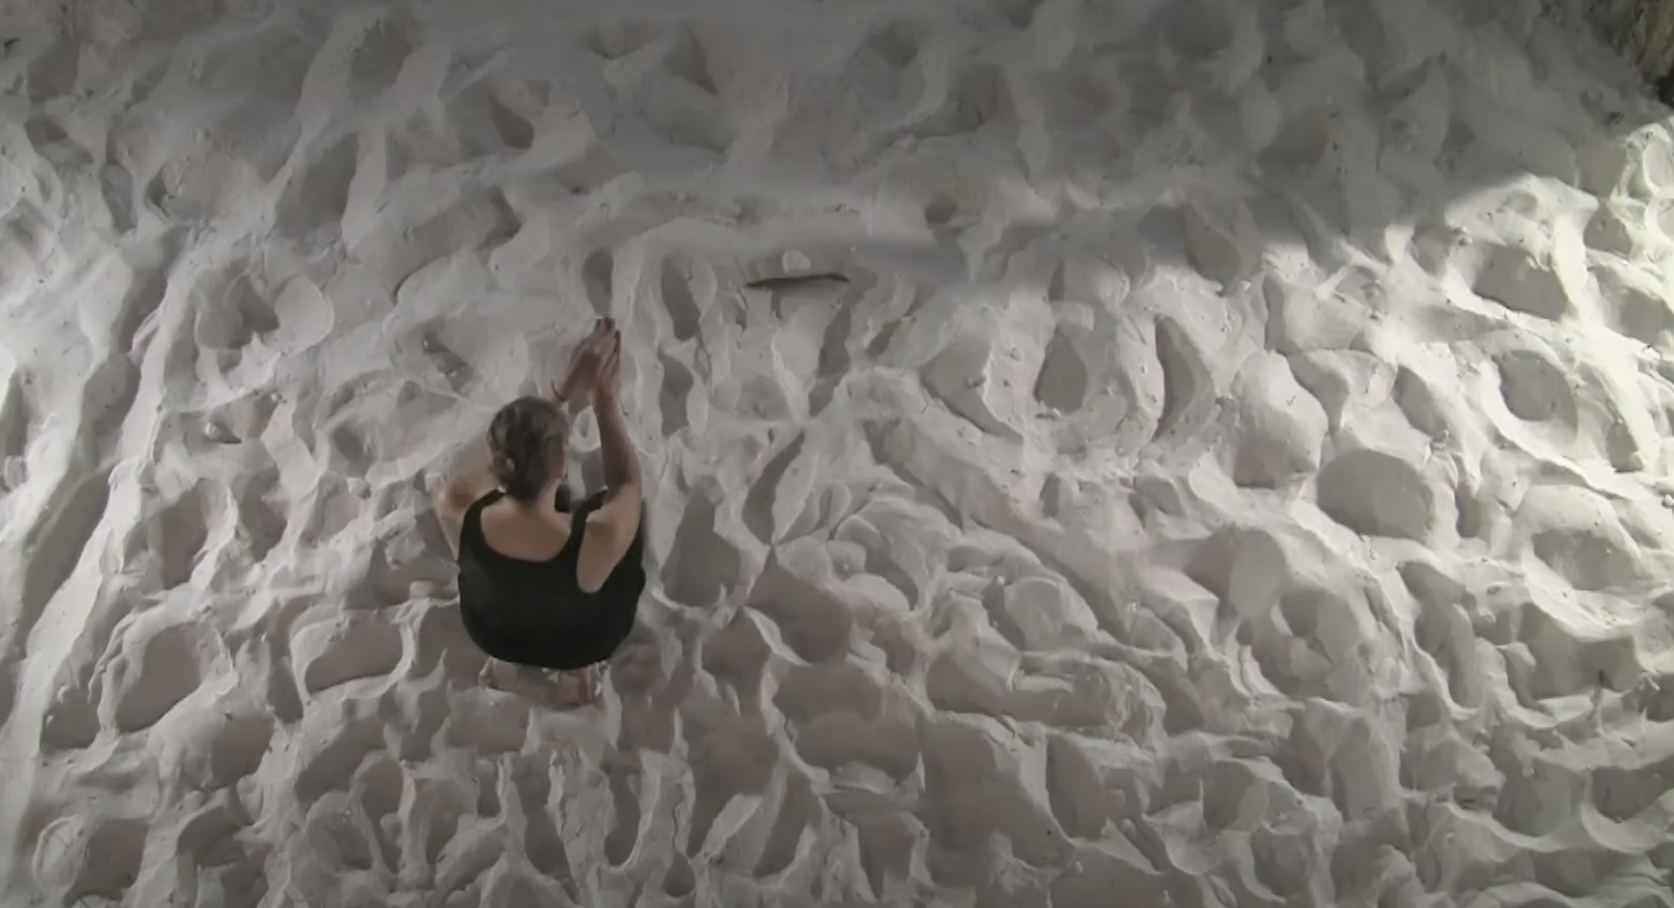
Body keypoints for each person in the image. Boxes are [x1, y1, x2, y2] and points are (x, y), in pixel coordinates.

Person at [432, 318, 645, 708]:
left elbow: (474, 482)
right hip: (579, 643)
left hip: (494, 634)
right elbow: (626, 485)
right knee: (623, 518)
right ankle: (575, 671)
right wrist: (604, 402)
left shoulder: (455, 508)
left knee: (505, 590)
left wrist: (557, 396)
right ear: (561, 464)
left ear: (498, 464)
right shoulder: (597, 537)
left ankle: (506, 661)